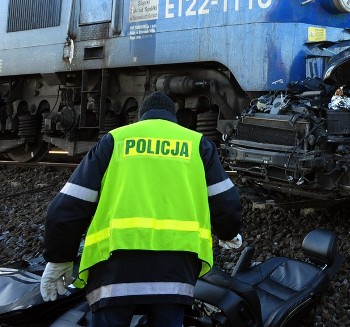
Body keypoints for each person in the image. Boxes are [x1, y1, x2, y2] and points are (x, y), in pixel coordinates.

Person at [40, 92, 243, 326]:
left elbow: (70, 205)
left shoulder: (115, 140)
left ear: (141, 117)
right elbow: (226, 200)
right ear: (173, 118)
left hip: (114, 268)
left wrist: (59, 258)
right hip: (174, 272)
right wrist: (228, 232)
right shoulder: (197, 144)